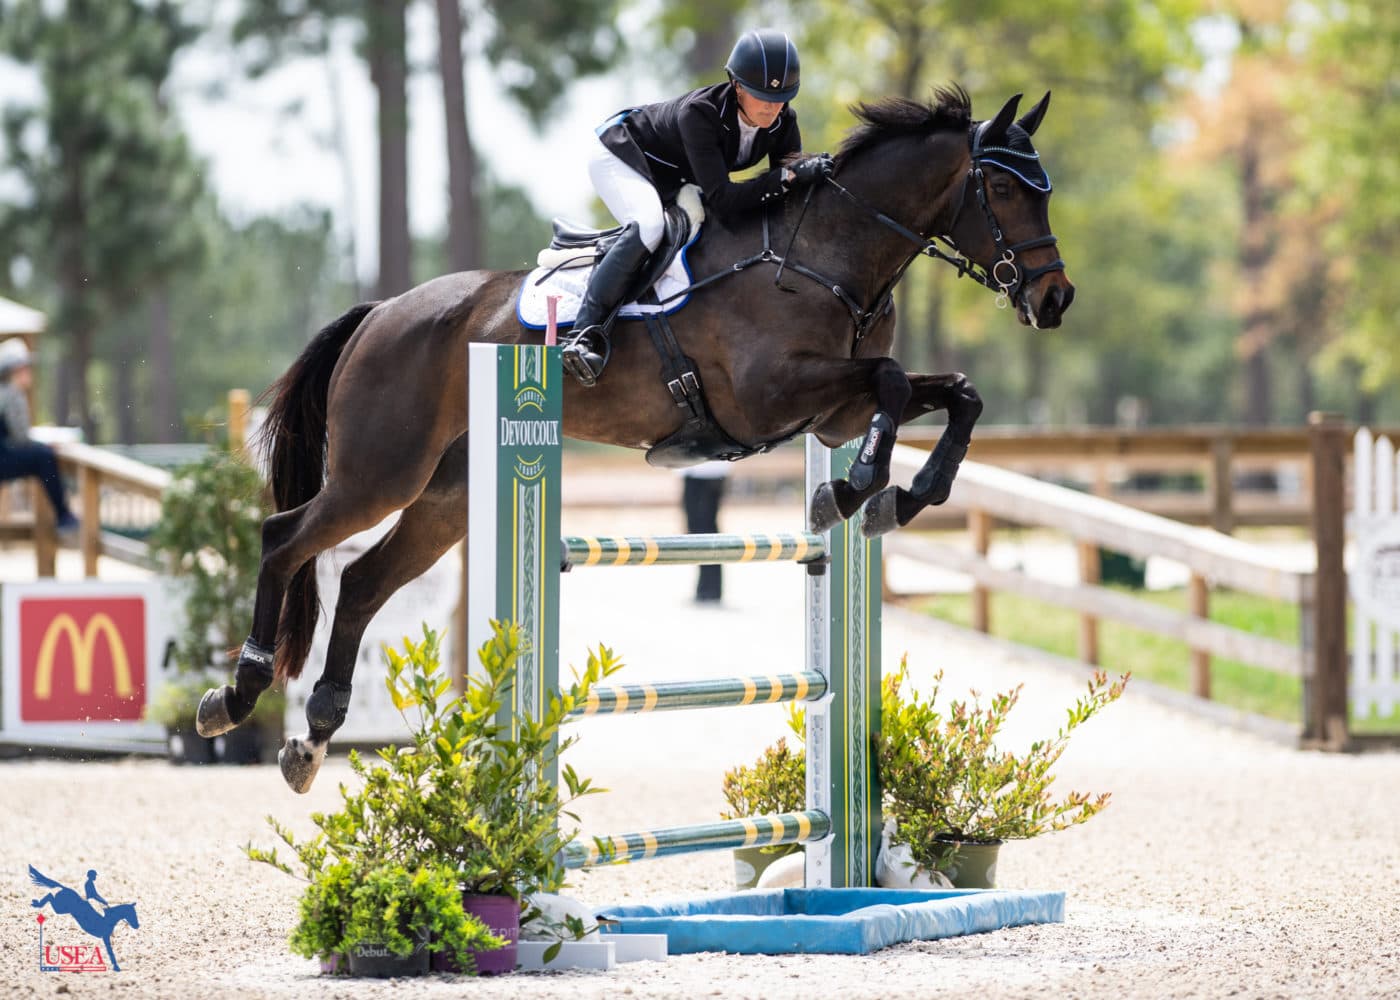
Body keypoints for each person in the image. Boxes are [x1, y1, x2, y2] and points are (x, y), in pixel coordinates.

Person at [561, 28, 835, 387]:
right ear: (737, 86)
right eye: (761, 95)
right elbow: (725, 200)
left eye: (782, 96)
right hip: (623, 154)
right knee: (649, 226)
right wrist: (788, 177)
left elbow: (785, 200)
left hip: (678, 175)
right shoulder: (700, 114)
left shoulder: (785, 121)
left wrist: (809, 179)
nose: (772, 106)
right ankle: (584, 334)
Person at [0, 338, 78, 535]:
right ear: (15, 371)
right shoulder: (12, 394)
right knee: (43, 457)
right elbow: (20, 438)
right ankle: (63, 516)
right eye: (25, 367)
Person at [681, 460, 730, 604]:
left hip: (701, 472)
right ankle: (708, 588)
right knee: (706, 528)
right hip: (711, 471)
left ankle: (709, 589)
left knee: (702, 530)